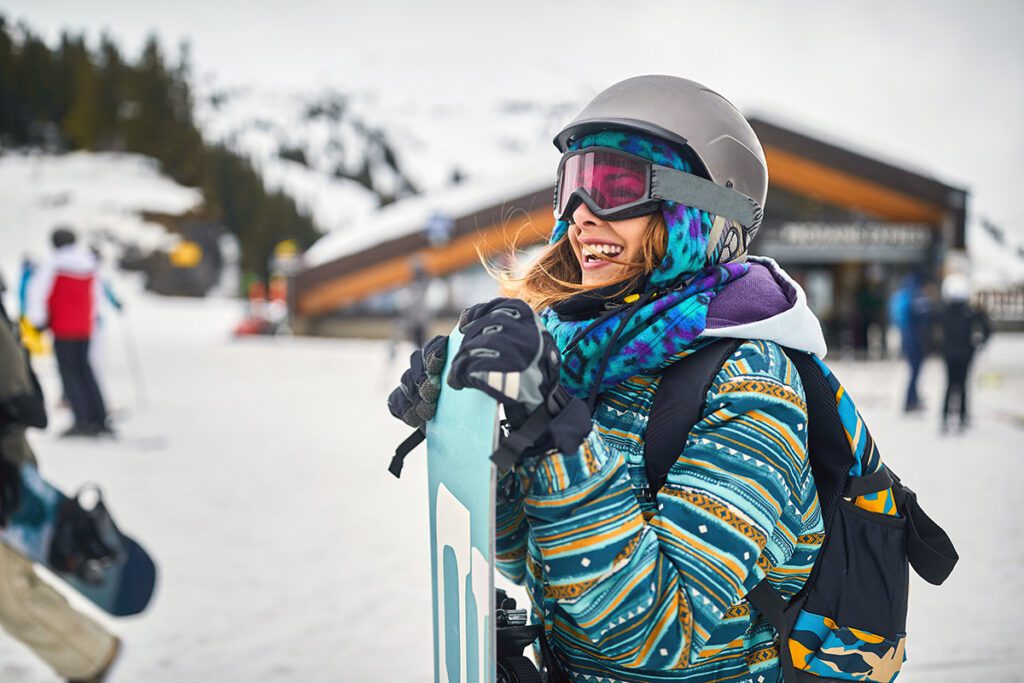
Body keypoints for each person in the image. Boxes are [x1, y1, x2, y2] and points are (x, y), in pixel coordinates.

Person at [388, 76, 886, 682]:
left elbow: (661, 633)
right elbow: (530, 560)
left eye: (615, 186)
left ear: (702, 213)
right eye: (572, 185)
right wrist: (472, 427)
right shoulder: (591, 354)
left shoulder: (754, 382)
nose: (581, 215)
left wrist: (552, 424)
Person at [0, 275, 121, 683]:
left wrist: (6, 467)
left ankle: (90, 657)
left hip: (5, 470)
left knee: (9, 590)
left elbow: (17, 399)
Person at [25, 227, 111, 437]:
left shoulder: (53, 264)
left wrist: (38, 321)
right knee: (85, 370)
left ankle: (82, 420)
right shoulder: (89, 263)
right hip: (85, 327)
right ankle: (99, 418)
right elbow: (97, 295)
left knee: (69, 373)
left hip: (63, 327)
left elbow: (38, 293)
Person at [938, 273, 991, 431]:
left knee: (951, 384)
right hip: (964, 353)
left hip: (951, 353)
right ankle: (960, 416)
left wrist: (937, 347)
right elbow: (987, 328)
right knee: (961, 385)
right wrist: (979, 344)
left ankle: (948, 416)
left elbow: (929, 329)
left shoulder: (945, 311)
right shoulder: (969, 311)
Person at [889, 273, 934, 412]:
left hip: (907, 338)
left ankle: (912, 400)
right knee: (915, 372)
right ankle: (910, 401)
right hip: (915, 341)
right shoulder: (918, 298)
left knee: (913, 372)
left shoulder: (906, 296)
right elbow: (924, 321)